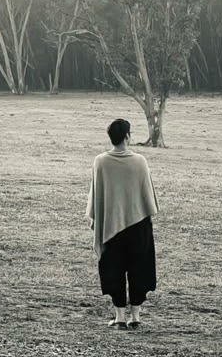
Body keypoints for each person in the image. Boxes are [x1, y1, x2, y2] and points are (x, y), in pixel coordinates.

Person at [86, 118, 159, 330]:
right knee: (139, 267)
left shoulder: (100, 161)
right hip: (138, 225)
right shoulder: (140, 161)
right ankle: (135, 316)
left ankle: (119, 317)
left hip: (110, 225)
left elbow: (96, 195)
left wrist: (96, 219)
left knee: (113, 268)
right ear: (128, 136)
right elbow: (147, 197)